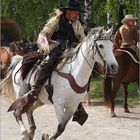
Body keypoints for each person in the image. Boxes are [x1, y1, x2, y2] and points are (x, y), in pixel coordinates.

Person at [10, 0, 88, 124]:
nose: (77, 14)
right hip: (55, 49)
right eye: (76, 11)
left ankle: (77, 100)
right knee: (49, 63)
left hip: (71, 51)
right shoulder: (55, 21)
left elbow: (82, 38)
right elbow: (43, 34)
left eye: (78, 12)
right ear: (68, 11)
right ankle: (35, 89)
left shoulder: (77, 24)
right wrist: (45, 47)